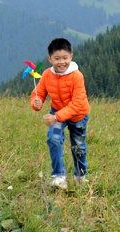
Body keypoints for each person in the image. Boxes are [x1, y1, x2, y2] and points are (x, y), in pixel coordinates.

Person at [30, 38, 90, 189]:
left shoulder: (77, 76)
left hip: (78, 116)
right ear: (50, 59)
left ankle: (80, 176)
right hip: (57, 111)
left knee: (78, 147)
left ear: (71, 56)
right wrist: (36, 102)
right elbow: (39, 94)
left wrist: (56, 117)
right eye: (57, 58)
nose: (61, 62)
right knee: (54, 139)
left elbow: (76, 104)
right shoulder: (46, 75)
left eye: (65, 58)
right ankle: (59, 176)